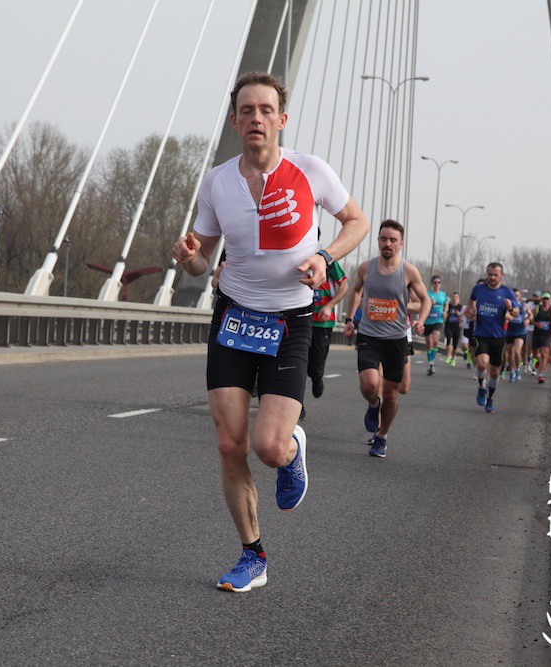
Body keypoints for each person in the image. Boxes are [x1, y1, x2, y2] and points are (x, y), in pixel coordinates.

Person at [172, 72, 369, 593]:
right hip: (234, 317)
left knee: (267, 447)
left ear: (281, 120)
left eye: (265, 110)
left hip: (290, 321)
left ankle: (290, 450)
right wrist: (190, 259)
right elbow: (202, 262)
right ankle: (252, 555)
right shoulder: (217, 182)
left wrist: (325, 257)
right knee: (228, 443)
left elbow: (357, 222)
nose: (255, 118)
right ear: (234, 121)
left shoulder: (310, 170)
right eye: (246, 110)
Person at [343, 220, 429, 458]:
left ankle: (382, 436)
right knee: (369, 384)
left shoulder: (409, 271)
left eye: (393, 240)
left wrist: (421, 320)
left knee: (392, 394)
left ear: (401, 243)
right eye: (383, 239)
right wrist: (350, 319)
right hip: (369, 335)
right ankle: (373, 404)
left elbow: (426, 300)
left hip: (396, 339)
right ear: (378, 241)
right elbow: (355, 290)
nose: (387, 244)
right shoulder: (365, 268)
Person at [466, 262, 518, 413]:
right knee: (482, 364)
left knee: (495, 372)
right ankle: (481, 387)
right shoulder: (479, 289)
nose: (492, 277)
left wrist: (510, 307)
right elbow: (471, 300)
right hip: (481, 334)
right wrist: (472, 309)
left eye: (496, 275)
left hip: (499, 337)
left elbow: (516, 313)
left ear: (502, 275)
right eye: (490, 274)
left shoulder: (507, 292)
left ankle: (490, 398)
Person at [307, 254, 348, 404]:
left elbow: (344, 286)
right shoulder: (295, 258)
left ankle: (317, 376)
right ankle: (297, 405)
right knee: (296, 364)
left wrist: (329, 306)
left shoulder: (328, 262)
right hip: (301, 319)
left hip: (322, 322)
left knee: (315, 367)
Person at [529, 291, 551, 384]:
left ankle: (540, 375)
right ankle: (538, 362)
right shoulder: (536, 309)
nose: (545, 301)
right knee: (535, 354)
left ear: (550, 300)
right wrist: (536, 323)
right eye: (544, 299)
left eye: (547, 299)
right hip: (537, 334)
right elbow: (530, 320)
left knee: (544, 354)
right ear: (541, 300)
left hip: (547, 335)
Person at [422, 275, 447, 375]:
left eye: (439, 282)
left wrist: (445, 311)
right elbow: (422, 304)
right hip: (428, 321)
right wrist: (429, 303)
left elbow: (446, 304)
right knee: (429, 343)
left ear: (441, 284)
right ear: (432, 284)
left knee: (435, 341)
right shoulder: (428, 294)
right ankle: (431, 364)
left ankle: (432, 363)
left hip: (438, 320)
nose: (437, 284)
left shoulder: (443, 294)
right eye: (435, 282)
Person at [503, 288, 527, 382]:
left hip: (520, 332)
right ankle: (512, 371)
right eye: (514, 296)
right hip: (510, 332)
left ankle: (517, 370)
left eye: (517, 296)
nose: (515, 297)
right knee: (510, 354)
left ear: (519, 297)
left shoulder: (522, 306)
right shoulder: (508, 306)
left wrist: (528, 319)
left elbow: (530, 315)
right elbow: (506, 315)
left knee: (517, 351)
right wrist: (511, 317)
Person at [443, 291, 462, 366]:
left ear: (458, 298)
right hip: (449, 326)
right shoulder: (449, 306)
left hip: (456, 327)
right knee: (448, 339)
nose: (454, 298)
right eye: (453, 297)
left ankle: (453, 358)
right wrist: (445, 313)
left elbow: (462, 318)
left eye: (456, 297)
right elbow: (445, 313)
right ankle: (448, 356)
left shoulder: (460, 307)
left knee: (455, 344)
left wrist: (459, 315)